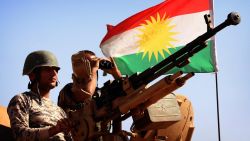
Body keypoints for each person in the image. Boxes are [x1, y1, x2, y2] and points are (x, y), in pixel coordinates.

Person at [7, 50, 73, 141]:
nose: (54, 74)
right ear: (32, 75)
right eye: (48, 69)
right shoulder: (22, 100)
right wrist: (54, 130)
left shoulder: (60, 111)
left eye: (56, 70)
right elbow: (20, 135)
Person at [58, 50, 121, 141]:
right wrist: (94, 69)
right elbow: (87, 94)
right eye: (86, 62)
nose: (92, 65)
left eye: (93, 63)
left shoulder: (101, 93)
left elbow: (126, 93)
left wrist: (116, 73)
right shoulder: (69, 90)